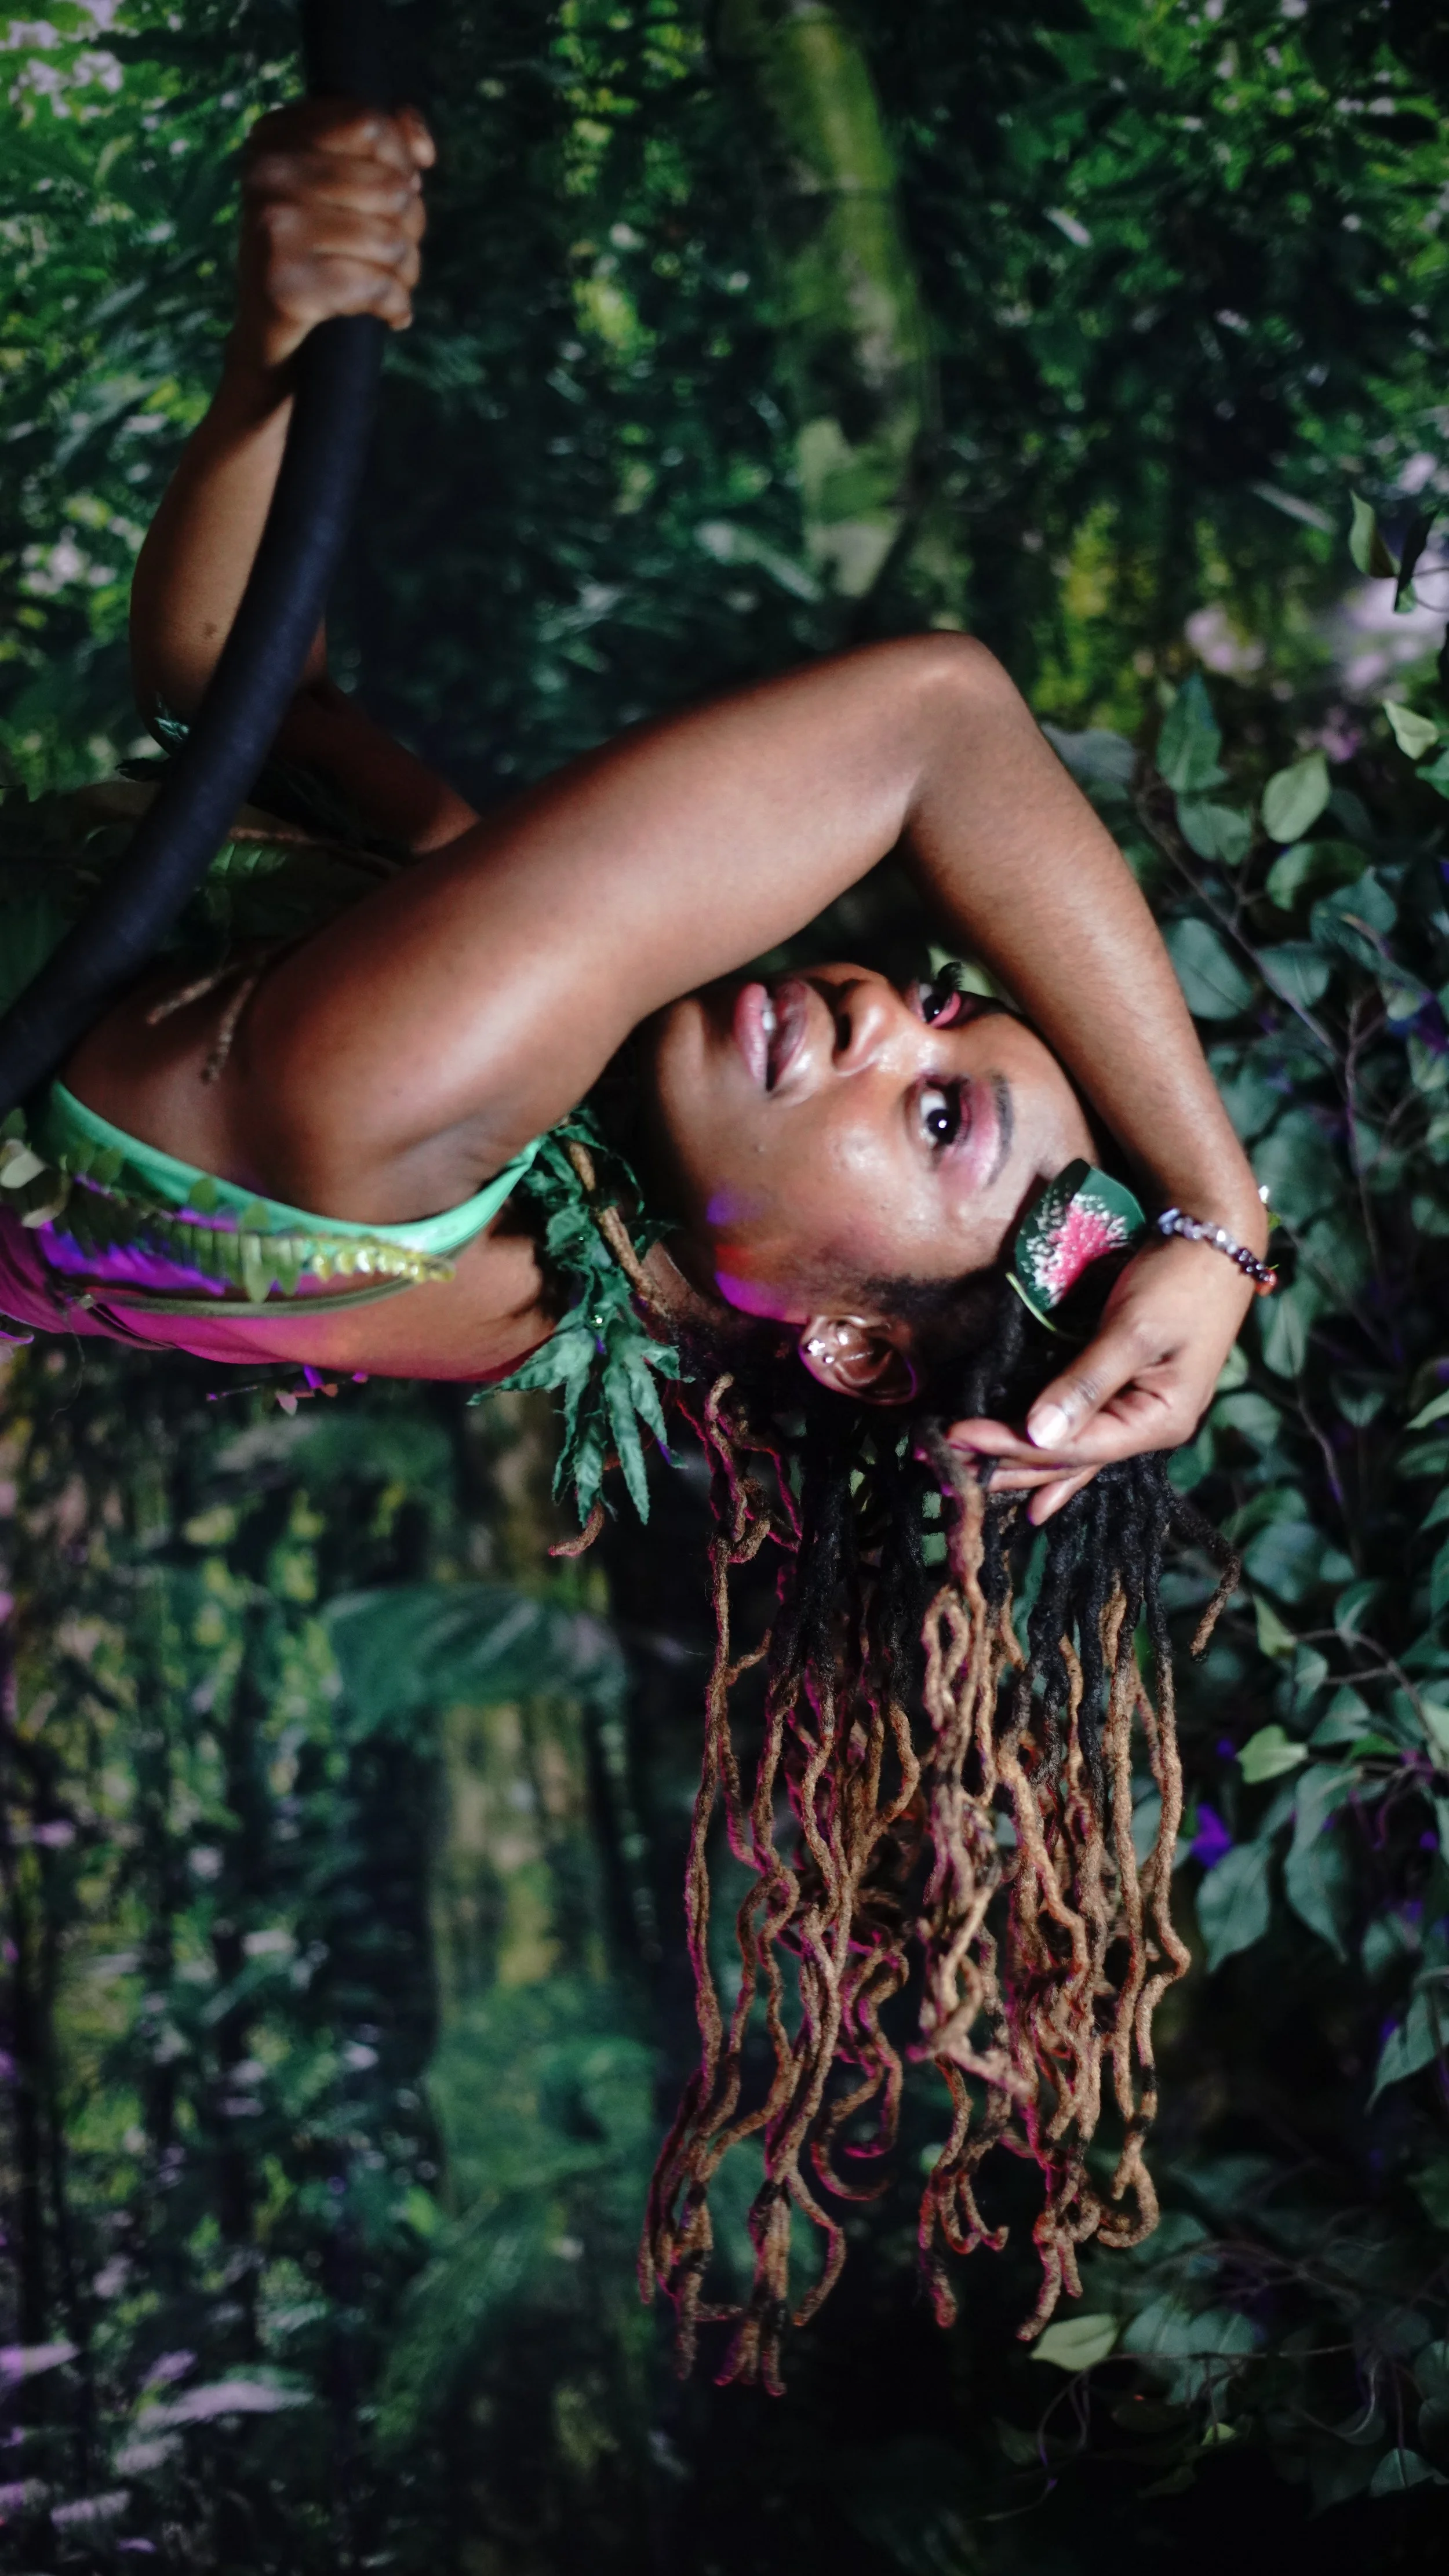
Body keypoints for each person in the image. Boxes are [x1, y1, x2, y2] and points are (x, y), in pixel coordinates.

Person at [0, 102, 1270, 2383]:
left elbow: (933, 720)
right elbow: (237, 694)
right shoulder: (503, 1179)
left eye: (944, 1116)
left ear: (859, 1353)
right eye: (945, 1005)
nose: (894, 1008)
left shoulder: (414, 1104)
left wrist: (1224, 1223)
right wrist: (278, 340)